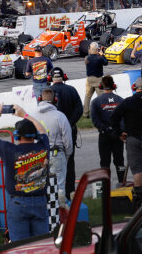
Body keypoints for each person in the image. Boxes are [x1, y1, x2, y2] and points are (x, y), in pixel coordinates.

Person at [0, 105, 50, 241]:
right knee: (41, 244)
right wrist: (24, 114)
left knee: (20, 246)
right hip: (40, 201)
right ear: (35, 136)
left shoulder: (9, 149)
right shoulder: (43, 146)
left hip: (18, 203)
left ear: (16, 136)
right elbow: (42, 130)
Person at [48, 67, 82, 198]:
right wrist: (69, 123)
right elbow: (79, 109)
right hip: (70, 131)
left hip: (53, 134)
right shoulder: (71, 90)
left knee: (52, 163)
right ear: (64, 77)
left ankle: (55, 194)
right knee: (70, 161)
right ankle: (70, 192)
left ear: (50, 78)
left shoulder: (48, 92)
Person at [36, 87, 72, 203]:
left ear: (40, 99)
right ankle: (59, 211)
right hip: (56, 153)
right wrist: (68, 154)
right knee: (59, 186)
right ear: (55, 100)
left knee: (39, 185)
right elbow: (67, 139)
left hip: (38, 154)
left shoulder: (32, 115)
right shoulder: (59, 116)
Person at [111, 78, 142, 187]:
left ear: (134, 87)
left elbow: (113, 117)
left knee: (137, 171)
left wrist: (119, 133)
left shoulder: (128, 101)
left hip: (133, 138)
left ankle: (141, 196)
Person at [90, 76, 126, 185]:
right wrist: (119, 131)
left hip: (104, 135)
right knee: (119, 161)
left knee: (105, 162)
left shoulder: (95, 101)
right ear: (114, 86)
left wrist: (107, 129)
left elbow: (95, 121)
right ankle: (122, 184)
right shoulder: (121, 100)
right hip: (118, 135)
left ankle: (105, 186)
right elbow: (124, 119)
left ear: (101, 86)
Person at [83, 42, 107, 118]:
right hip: (98, 79)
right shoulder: (99, 58)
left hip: (89, 79)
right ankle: (103, 112)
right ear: (97, 49)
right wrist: (102, 55)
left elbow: (89, 57)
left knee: (87, 96)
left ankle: (85, 113)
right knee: (101, 97)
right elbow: (106, 63)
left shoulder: (86, 58)